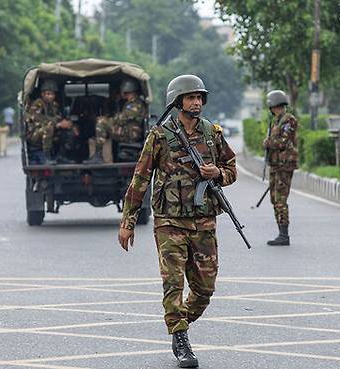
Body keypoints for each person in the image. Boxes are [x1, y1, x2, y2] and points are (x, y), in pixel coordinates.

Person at [117, 75, 236, 368]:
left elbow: (231, 168)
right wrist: (128, 221)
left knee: (205, 288)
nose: (196, 102)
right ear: (178, 101)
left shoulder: (212, 133)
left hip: (204, 220)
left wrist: (217, 174)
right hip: (169, 221)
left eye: (199, 98)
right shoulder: (159, 136)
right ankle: (180, 337)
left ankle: (179, 320)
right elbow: (140, 179)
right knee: (172, 282)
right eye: (190, 97)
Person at [263, 89, 298, 246]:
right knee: (274, 199)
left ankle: (284, 235)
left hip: (284, 166)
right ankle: (281, 232)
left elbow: (283, 142)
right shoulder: (276, 121)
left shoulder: (289, 120)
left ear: (273, 105)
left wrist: (268, 142)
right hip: (275, 164)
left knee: (280, 200)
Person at [89, 79, 147, 162]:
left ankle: (98, 155)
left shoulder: (136, 105)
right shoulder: (130, 103)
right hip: (127, 131)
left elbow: (121, 119)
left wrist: (107, 119)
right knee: (103, 124)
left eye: (125, 93)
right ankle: (100, 154)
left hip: (131, 133)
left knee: (101, 122)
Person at [24, 79, 73, 163]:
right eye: (48, 94)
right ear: (42, 94)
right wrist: (57, 124)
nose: (50, 96)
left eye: (52, 94)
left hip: (48, 132)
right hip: (35, 134)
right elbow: (38, 120)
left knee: (68, 130)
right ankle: (46, 157)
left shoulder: (54, 105)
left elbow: (58, 118)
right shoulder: (37, 104)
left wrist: (67, 124)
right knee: (49, 128)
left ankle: (61, 156)